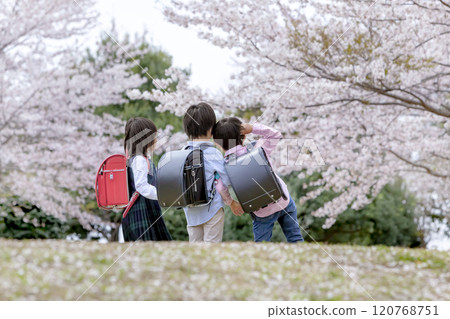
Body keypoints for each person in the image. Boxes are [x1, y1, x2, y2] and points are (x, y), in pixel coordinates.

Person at [213, 117, 304, 243]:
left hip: (261, 211)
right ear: (243, 136)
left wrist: (231, 203)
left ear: (219, 145)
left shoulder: (225, 167)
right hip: (283, 200)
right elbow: (275, 134)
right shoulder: (258, 148)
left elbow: (220, 186)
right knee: (295, 237)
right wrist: (253, 128)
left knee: (261, 245)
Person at [182, 103, 243, 243]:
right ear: (211, 128)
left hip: (191, 212)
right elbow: (225, 180)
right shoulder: (213, 153)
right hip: (212, 209)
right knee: (212, 248)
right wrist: (231, 201)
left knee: (195, 248)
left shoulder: (182, 152)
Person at [121, 117, 172, 241]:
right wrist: (164, 196)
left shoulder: (136, 159)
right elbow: (142, 186)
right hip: (142, 211)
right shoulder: (139, 160)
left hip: (143, 210)